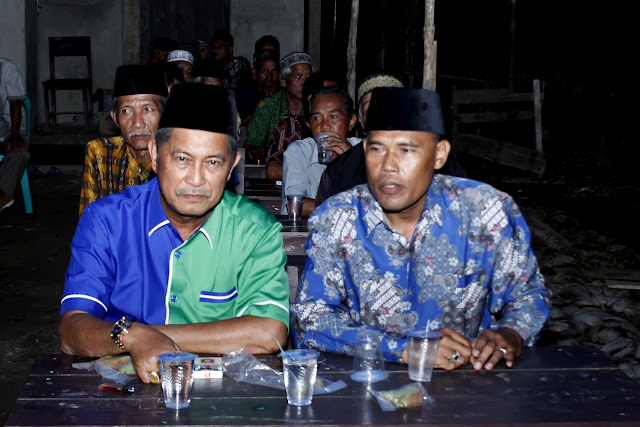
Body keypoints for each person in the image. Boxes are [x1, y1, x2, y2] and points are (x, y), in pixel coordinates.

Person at [290, 87, 550, 372]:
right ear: (364, 151)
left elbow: (528, 296)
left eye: (406, 150)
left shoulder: (485, 212)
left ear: (439, 155)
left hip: (467, 381)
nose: (388, 166)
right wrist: (404, 349)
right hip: (369, 381)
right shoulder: (338, 219)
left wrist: (511, 333)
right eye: (377, 148)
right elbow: (308, 319)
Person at [59, 83, 290, 383]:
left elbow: (269, 332)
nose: (196, 179)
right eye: (182, 159)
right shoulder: (107, 220)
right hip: (119, 392)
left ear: (232, 165)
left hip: (222, 394)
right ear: (155, 154)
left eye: (213, 162)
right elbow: (72, 329)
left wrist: (142, 335)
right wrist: (133, 336)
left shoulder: (254, 230)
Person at [315, 73, 466, 207]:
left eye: (388, 104)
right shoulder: (339, 170)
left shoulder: (437, 161)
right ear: (361, 119)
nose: (380, 111)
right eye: (371, 105)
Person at [78, 65, 167, 216]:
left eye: (147, 109)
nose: (137, 123)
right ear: (115, 118)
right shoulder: (100, 153)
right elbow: (89, 221)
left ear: (165, 114)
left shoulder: (180, 158)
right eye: (126, 111)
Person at [281, 86, 360, 216]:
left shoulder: (364, 151)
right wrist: (349, 207)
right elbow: (295, 205)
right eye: (317, 118)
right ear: (309, 125)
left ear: (351, 121)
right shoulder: (299, 152)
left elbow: (379, 204)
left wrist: (352, 159)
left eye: (333, 116)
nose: (324, 126)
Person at [266, 71, 339, 180]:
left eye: (337, 93)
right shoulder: (289, 125)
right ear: (311, 98)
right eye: (328, 93)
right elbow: (272, 170)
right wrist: (318, 173)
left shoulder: (345, 126)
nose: (335, 99)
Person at [245, 52, 313, 158]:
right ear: (283, 81)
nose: (304, 83)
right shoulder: (268, 107)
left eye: (308, 77)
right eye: (298, 77)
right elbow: (250, 146)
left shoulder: (316, 106)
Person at [0, 57, 28, 213]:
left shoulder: (6, 67)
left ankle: (3, 197)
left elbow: (15, 102)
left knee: (18, 153)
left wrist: (15, 135)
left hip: (9, 130)